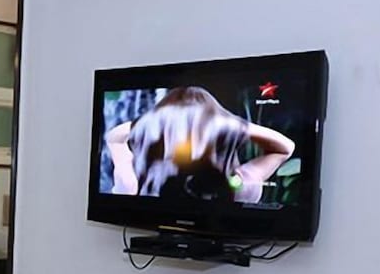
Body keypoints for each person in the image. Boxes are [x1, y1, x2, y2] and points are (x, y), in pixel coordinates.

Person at [105, 86, 295, 204]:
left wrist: (152, 122)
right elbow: (285, 148)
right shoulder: (238, 185)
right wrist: (233, 124)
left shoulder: (135, 183)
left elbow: (114, 138)